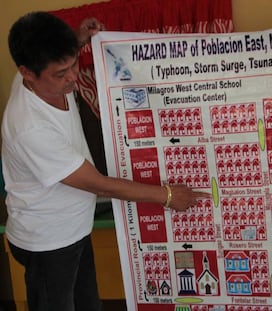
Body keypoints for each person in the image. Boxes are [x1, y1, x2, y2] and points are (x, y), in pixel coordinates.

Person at [2, 11, 210, 311]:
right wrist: (166, 196)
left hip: (73, 229)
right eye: (61, 74)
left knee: (89, 303)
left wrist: (77, 39)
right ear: (27, 73)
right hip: (48, 242)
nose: (73, 77)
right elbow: (99, 184)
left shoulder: (42, 70)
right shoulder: (30, 127)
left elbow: (58, 59)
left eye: (73, 64)